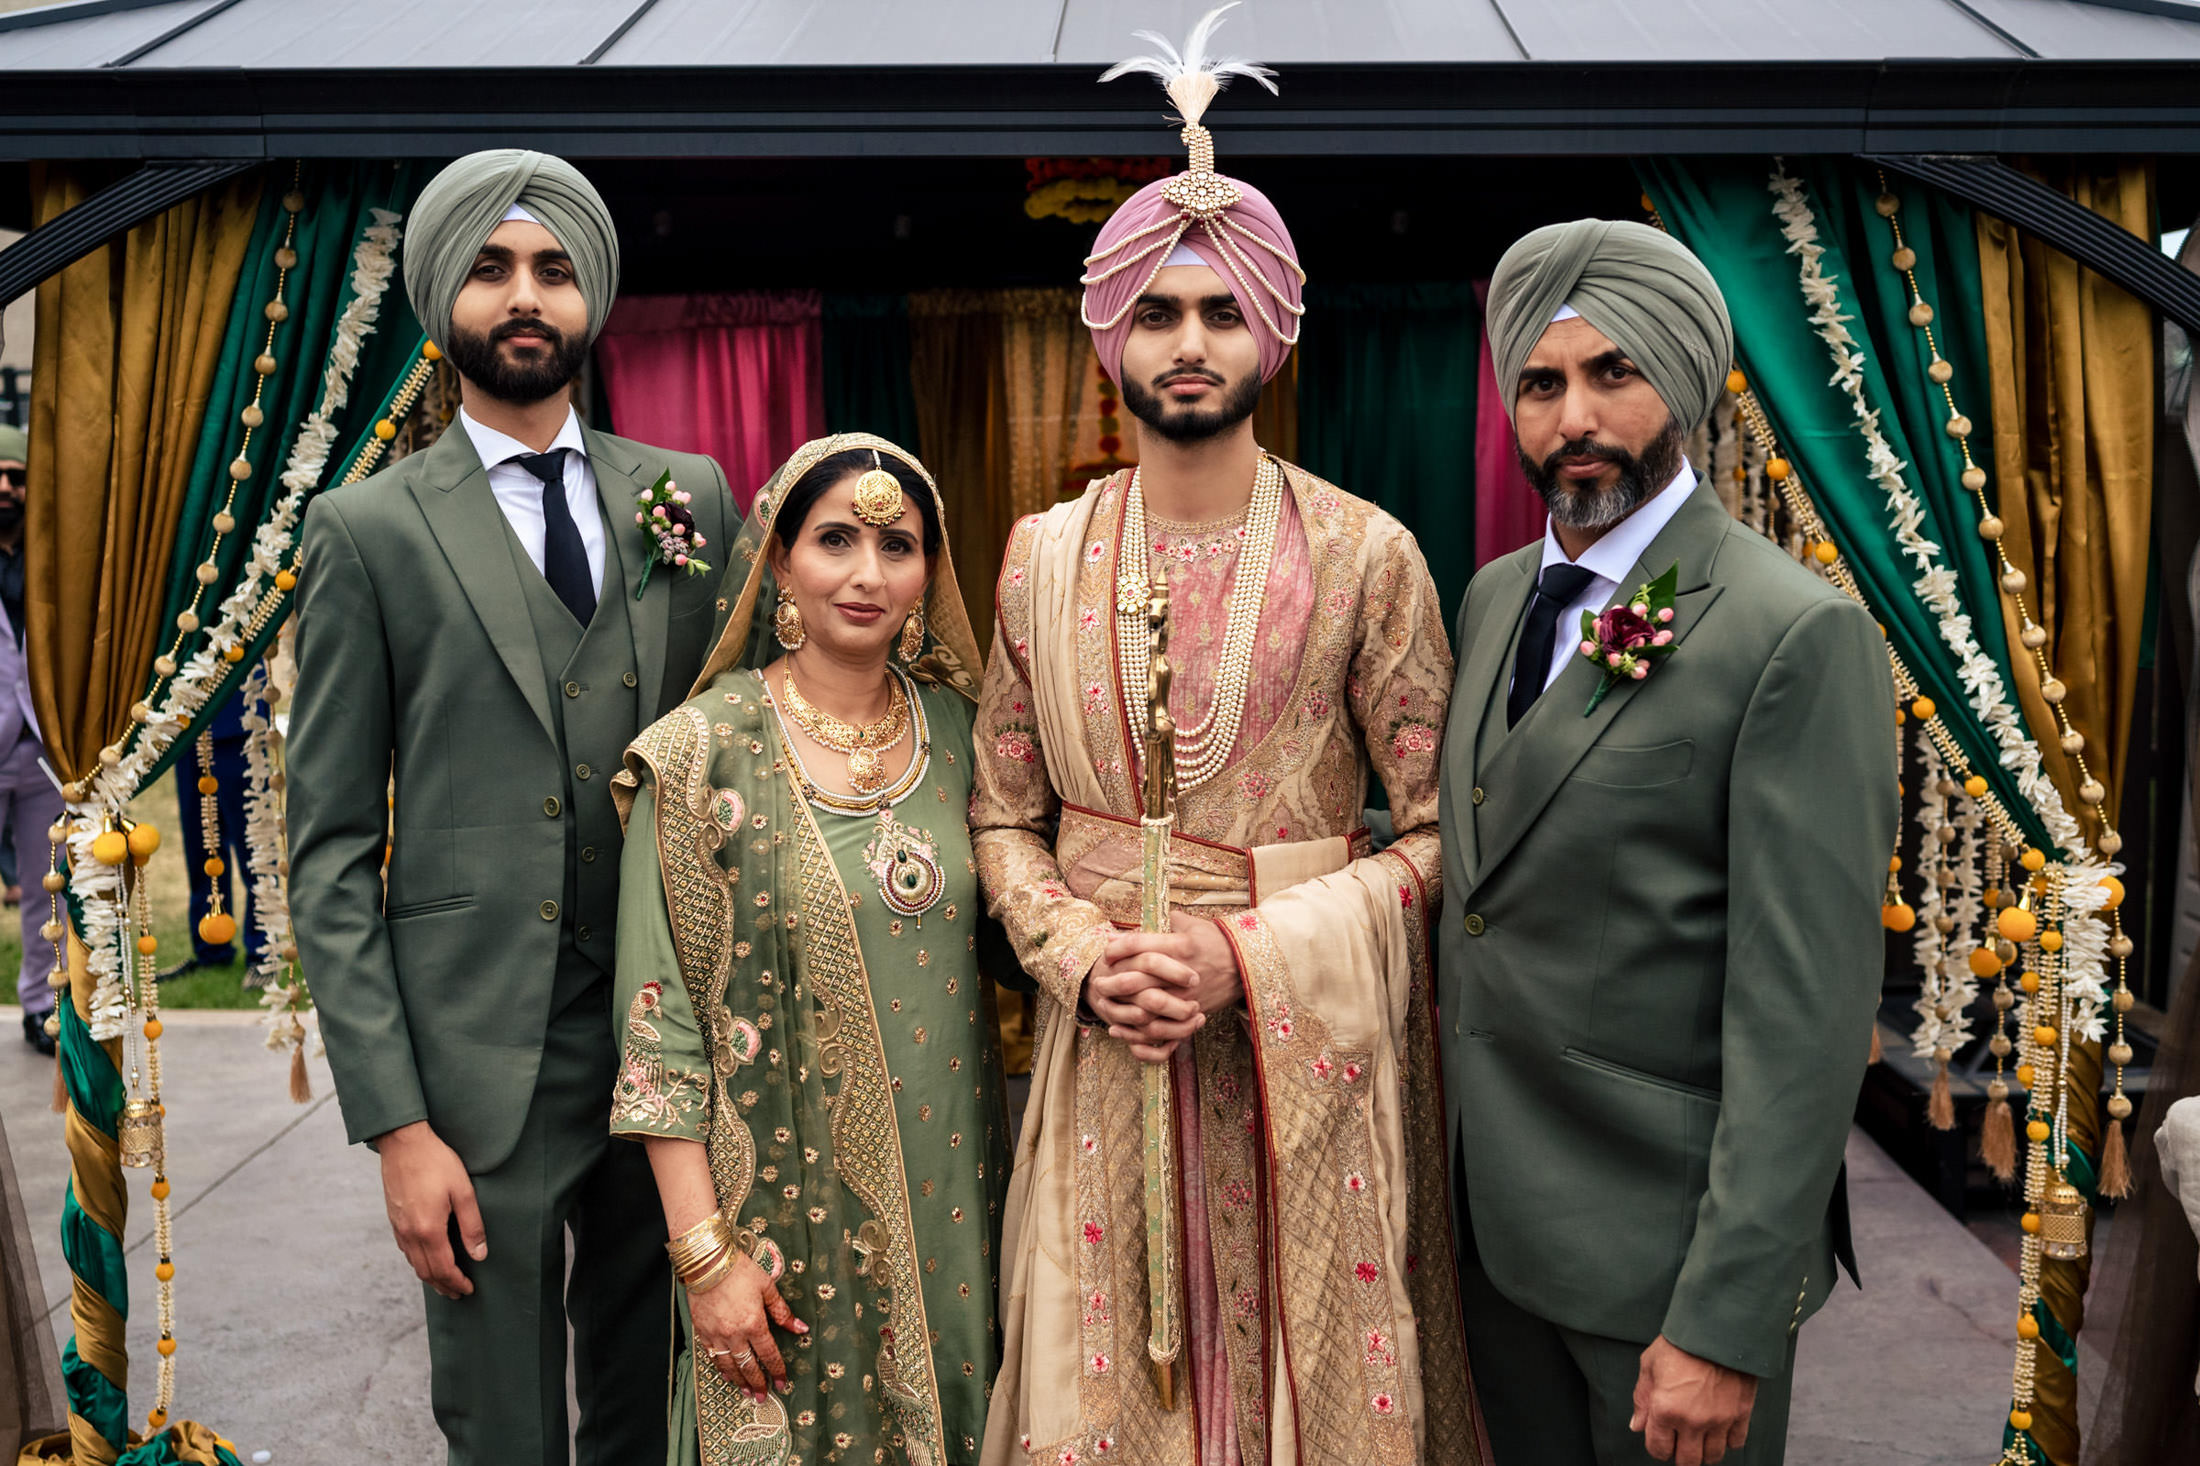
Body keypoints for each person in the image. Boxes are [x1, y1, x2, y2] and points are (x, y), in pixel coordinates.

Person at [972, 18, 1482, 1463]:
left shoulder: (1367, 554)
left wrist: (1242, 950)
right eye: (1154, 310)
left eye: (1219, 310)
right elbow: (1001, 814)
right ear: (1107, 336)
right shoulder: (1036, 558)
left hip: (1297, 1057)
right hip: (1103, 1043)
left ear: (1277, 327)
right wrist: (1081, 955)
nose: (1187, 342)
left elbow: (1443, 834)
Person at [287, 149, 737, 1466]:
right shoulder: (367, 531)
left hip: (666, 1051)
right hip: (478, 1072)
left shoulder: (686, 497)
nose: (524, 295)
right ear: (444, 298)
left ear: (592, 292)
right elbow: (326, 852)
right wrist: (396, 1125)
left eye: (551, 268)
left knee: (658, 1408)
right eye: (491, 269)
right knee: (502, 1429)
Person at [1438, 218, 1897, 1466]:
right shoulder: (1488, 598)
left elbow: (1804, 1010)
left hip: (1667, 1265)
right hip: (1492, 1239)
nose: (1573, 414)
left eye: (1612, 373)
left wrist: (1726, 1318)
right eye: (1541, 383)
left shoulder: (1790, 632)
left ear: (1681, 383)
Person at [609, 433, 1007, 1466]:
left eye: (898, 543)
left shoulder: (973, 738)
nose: (868, 573)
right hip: (771, 1231)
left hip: (964, 1216)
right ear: (779, 561)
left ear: (931, 571)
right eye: (835, 539)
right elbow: (660, 1036)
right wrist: (705, 1259)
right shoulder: (698, 751)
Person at [0, 422, 59, 1055]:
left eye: (16, 476)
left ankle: (40, 1006)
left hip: (41, 747)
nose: (5, 487)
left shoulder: (51, 557)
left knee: (47, 887)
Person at [171, 683, 265, 976]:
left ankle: (263, 953)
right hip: (186, 716)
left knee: (254, 844)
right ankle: (211, 947)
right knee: (200, 845)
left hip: (238, 711)